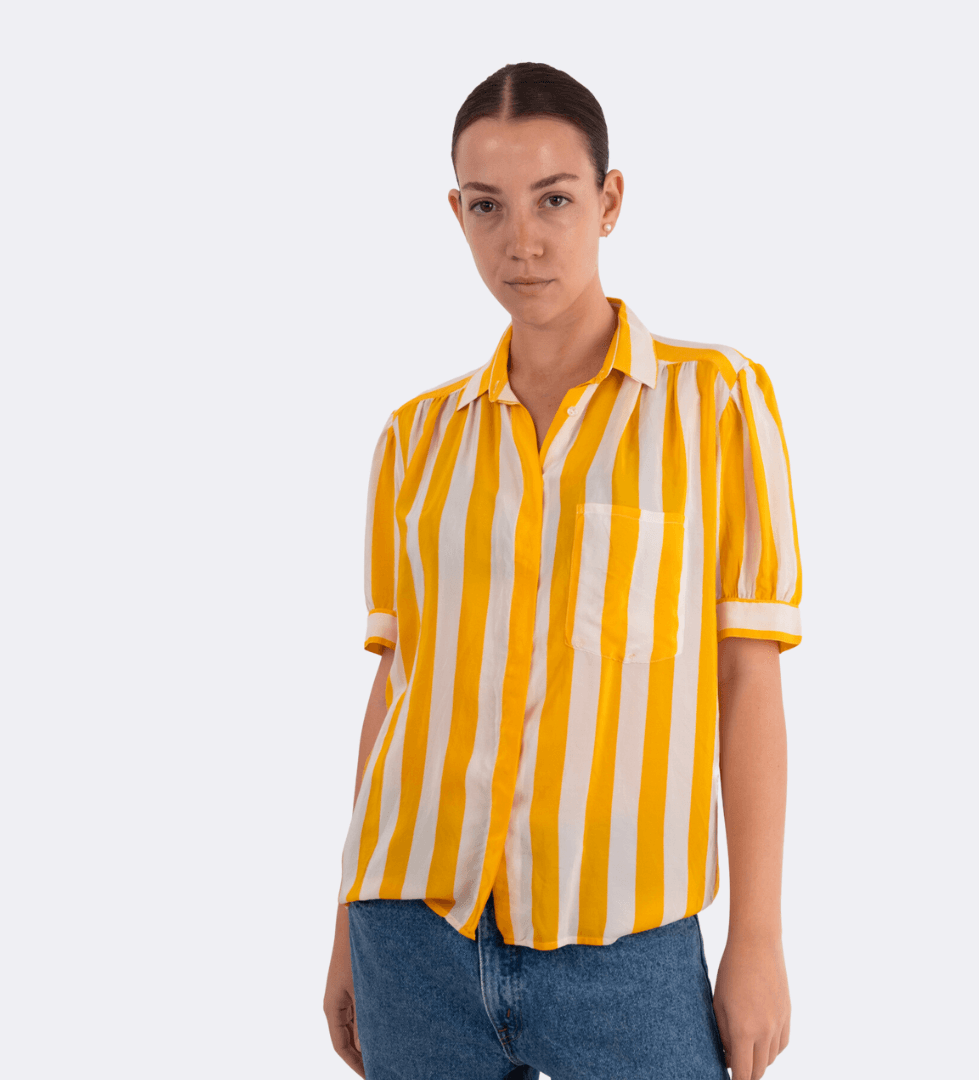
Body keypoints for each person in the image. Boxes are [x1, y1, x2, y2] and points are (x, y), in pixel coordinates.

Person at [323, 61, 801, 1080]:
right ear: (457, 213)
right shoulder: (416, 440)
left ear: (609, 200)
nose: (523, 242)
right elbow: (398, 683)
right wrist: (343, 924)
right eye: (487, 206)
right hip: (409, 929)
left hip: (624, 946)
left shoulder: (715, 406)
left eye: (554, 200)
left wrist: (757, 937)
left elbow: (745, 676)